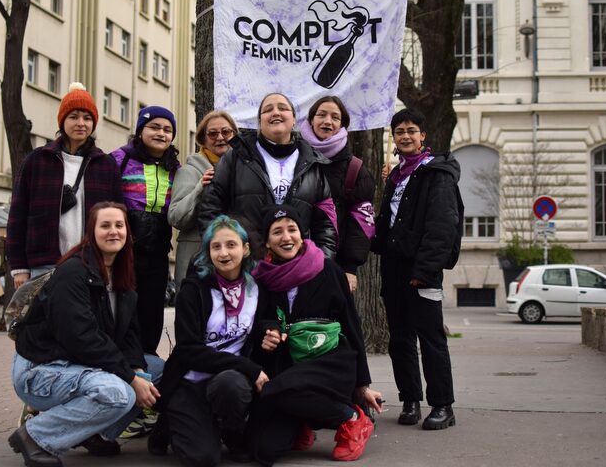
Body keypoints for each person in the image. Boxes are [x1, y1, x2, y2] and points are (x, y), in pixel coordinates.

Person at [8, 202, 164, 466]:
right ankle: (36, 436)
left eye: (119, 225)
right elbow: (80, 338)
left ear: (128, 232)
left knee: (155, 370)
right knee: (120, 393)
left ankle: (96, 434)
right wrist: (129, 377)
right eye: (105, 226)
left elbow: (130, 335)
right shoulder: (73, 273)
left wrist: (136, 368)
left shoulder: (122, 274)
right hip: (42, 369)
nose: (113, 231)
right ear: (91, 232)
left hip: (79, 364)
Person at [247, 205, 383, 465]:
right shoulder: (261, 278)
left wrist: (361, 385)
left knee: (276, 391)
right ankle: (301, 421)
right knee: (261, 451)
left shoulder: (328, 269)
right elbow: (259, 321)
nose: (286, 237)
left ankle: (352, 418)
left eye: (292, 229)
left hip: (329, 361)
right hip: (286, 366)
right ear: (267, 241)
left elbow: (351, 324)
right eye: (277, 232)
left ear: (302, 234)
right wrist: (268, 331)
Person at [372, 108, 463, 430]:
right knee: (400, 339)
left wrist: (424, 271)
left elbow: (442, 227)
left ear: (422, 135)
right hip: (394, 269)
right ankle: (410, 401)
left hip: (421, 271)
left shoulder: (436, 174)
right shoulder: (397, 177)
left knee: (431, 339)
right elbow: (392, 225)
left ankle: (442, 406)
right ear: (394, 138)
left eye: (412, 130)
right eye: (399, 131)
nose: (406, 136)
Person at [153, 215, 269, 466]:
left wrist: (271, 332)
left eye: (231, 245)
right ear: (208, 252)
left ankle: (231, 431)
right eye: (216, 246)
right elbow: (188, 350)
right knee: (202, 458)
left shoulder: (257, 289)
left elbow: (263, 328)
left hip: (227, 381)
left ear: (246, 248)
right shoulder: (193, 290)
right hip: (189, 380)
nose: (224, 253)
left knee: (232, 385)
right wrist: (248, 367)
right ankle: (173, 421)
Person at [6, 82, 123, 290]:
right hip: (44, 263)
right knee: (44, 321)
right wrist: (19, 267)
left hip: (91, 262)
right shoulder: (37, 161)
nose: (81, 123)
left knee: (85, 320)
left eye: (87, 118)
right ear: (62, 121)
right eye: (74, 117)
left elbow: (119, 216)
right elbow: (18, 216)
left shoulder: (106, 165)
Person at [199, 93, 337, 259]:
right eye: (268, 110)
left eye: (283, 108)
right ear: (259, 122)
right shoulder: (236, 156)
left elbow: (325, 225)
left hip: (298, 269)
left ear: (294, 119)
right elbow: (210, 208)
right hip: (247, 267)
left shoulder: (313, 162)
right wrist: (223, 255)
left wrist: (322, 263)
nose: (276, 112)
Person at [111, 106, 180, 356]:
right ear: (140, 130)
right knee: (124, 305)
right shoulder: (119, 158)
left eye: (167, 129)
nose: (161, 133)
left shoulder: (175, 167)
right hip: (125, 249)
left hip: (159, 250)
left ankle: (147, 358)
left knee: (152, 309)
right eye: (154, 127)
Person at [299, 96, 375, 292]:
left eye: (335, 117)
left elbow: (361, 223)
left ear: (342, 125)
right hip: (292, 258)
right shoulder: (292, 159)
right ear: (311, 120)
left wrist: (350, 267)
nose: (327, 121)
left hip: (336, 266)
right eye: (321, 115)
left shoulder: (355, 169)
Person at [168, 110, 239, 290]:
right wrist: (200, 188)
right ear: (203, 139)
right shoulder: (189, 171)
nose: (220, 137)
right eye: (212, 133)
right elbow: (176, 218)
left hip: (234, 259)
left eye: (226, 132)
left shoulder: (244, 168)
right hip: (196, 257)